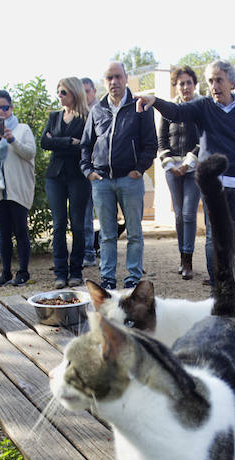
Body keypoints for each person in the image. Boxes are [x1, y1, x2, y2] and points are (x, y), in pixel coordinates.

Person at [136, 60, 235, 293]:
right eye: (210, 81)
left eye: (219, 80)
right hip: (213, 185)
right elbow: (176, 113)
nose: (214, 86)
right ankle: (217, 284)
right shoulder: (203, 106)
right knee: (213, 238)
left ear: (231, 82)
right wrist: (155, 101)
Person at [80, 62, 157, 290]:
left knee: (134, 232)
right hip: (102, 181)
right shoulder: (97, 110)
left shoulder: (140, 107)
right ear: (104, 82)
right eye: (109, 78)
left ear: (126, 78)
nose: (114, 82)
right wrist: (88, 171)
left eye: (117, 77)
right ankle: (108, 278)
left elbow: (150, 144)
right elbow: (86, 144)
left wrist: (139, 169)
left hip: (130, 179)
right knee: (107, 234)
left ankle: (133, 277)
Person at [0, 89, 36, 287]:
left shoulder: (23, 129)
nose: (0, 112)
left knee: (21, 230)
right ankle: (5, 272)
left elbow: (30, 153)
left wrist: (12, 140)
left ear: (11, 107)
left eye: (4, 107)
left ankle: (23, 271)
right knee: (3, 233)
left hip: (18, 188)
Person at [41, 77, 90, 289]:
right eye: (58, 92)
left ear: (74, 93)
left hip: (78, 176)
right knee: (59, 224)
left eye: (64, 92)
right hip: (55, 177)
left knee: (78, 225)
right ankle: (60, 272)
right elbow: (44, 142)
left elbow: (88, 145)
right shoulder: (53, 117)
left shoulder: (88, 117)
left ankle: (76, 271)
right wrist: (70, 142)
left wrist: (57, 142)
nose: (59, 96)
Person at [158, 65, 201, 280]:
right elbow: (162, 140)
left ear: (194, 84)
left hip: (193, 169)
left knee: (188, 213)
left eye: (189, 83)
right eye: (181, 83)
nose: (185, 87)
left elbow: (204, 139)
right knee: (178, 215)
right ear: (176, 86)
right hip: (172, 169)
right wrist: (169, 164)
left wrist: (188, 162)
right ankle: (182, 258)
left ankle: (189, 260)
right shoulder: (169, 109)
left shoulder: (201, 106)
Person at [80, 76, 99, 269]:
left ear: (93, 90)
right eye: (81, 90)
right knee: (84, 215)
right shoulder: (76, 112)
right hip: (82, 171)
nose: (84, 94)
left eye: (87, 90)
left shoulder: (99, 109)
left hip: (98, 170)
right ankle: (87, 251)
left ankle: (91, 252)